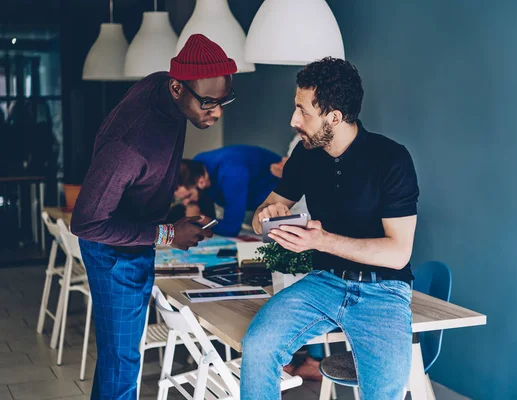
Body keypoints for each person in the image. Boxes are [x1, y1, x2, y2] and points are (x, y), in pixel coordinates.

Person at [241, 57, 419, 399]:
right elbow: (261, 215)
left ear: (334, 117)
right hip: (324, 283)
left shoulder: (391, 159)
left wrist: (321, 241)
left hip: (383, 291)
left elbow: (398, 253)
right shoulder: (306, 156)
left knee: (384, 392)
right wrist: (268, 214)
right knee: (259, 346)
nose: (293, 120)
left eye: (303, 111)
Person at [70, 34, 237, 399]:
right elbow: (86, 223)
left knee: (118, 357)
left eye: (225, 101)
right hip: (113, 251)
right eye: (208, 102)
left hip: (136, 236)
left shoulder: (165, 87)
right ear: (177, 88)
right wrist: (167, 234)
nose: (217, 111)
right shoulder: (130, 144)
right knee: (124, 361)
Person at [174, 145, 282, 237]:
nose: (185, 203)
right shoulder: (198, 164)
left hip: (282, 199)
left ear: (201, 182)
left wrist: (200, 218)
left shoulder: (231, 173)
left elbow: (232, 228)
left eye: (188, 196)